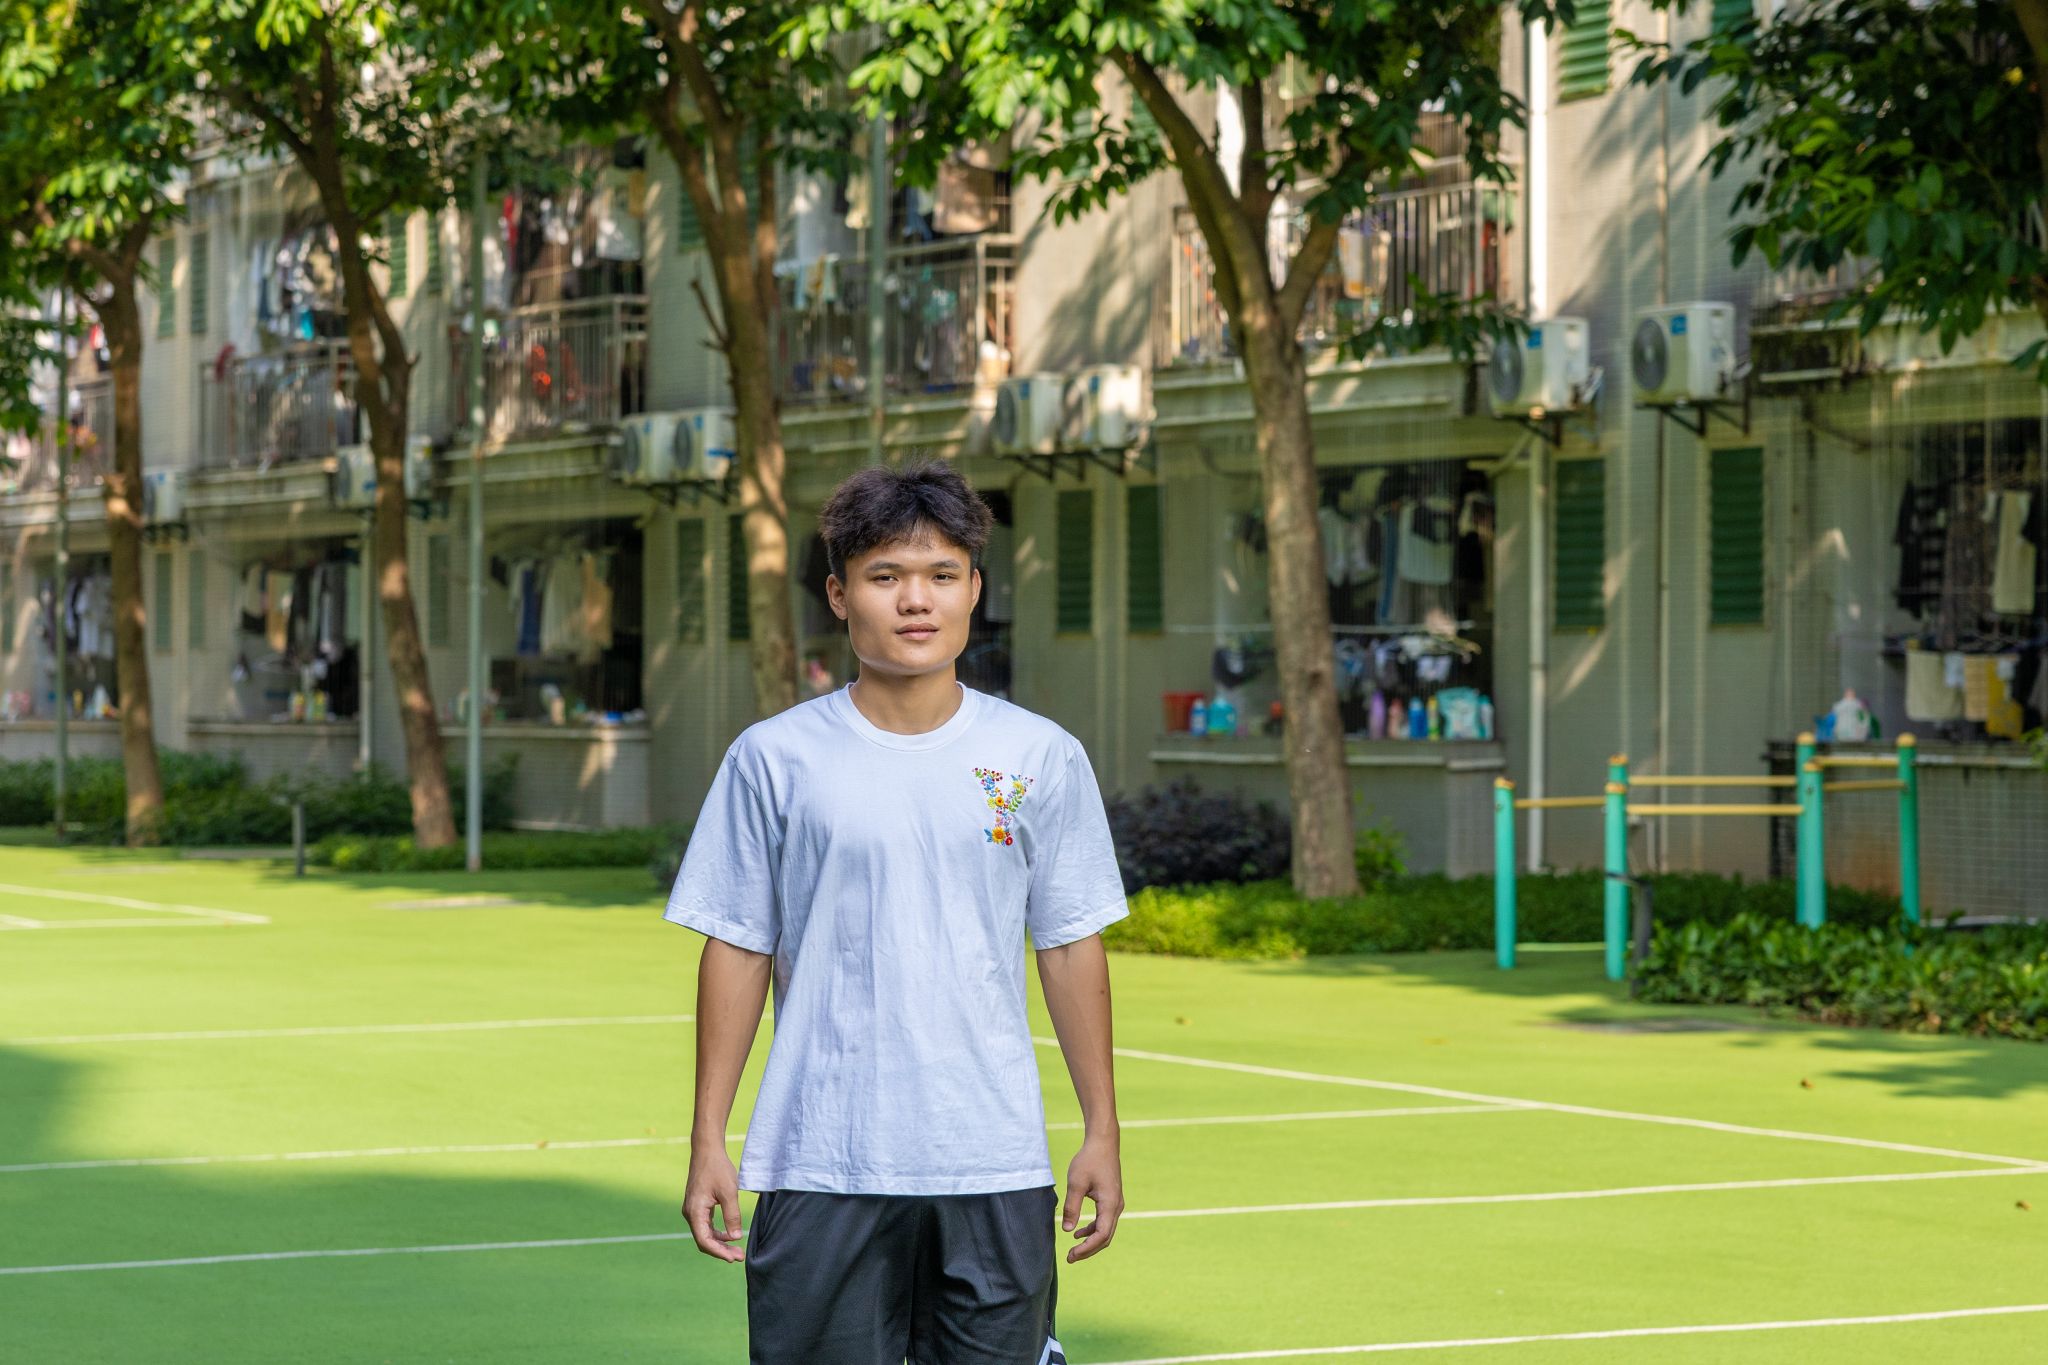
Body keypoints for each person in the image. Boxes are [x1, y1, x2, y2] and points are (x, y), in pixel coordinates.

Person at [665, 460, 1129, 1364]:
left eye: (941, 574)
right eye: (885, 576)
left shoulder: (1038, 755)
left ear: (975, 590)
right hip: (820, 1158)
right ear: (839, 595)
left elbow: (1071, 946)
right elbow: (739, 947)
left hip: (992, 1160)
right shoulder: (773, 758)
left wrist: (1101, 1131)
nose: (916, 600)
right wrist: (707, 1137)